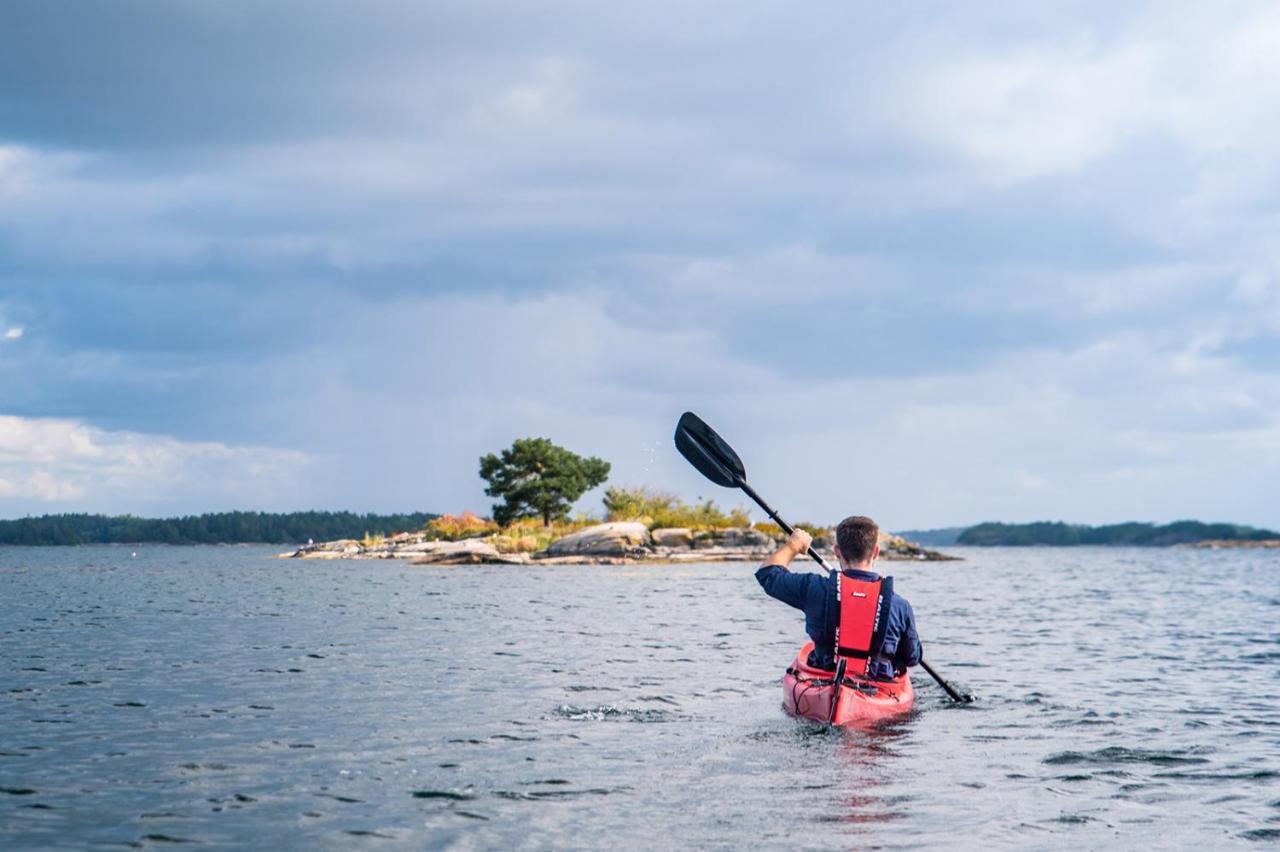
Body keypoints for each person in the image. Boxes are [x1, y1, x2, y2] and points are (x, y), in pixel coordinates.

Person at [755, 515, 920, 679]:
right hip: (876, 685)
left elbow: (768, 575)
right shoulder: (899, 605)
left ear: (837, 552)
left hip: (824, 680)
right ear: (876, 552)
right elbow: (911, 658)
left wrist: (794, 545)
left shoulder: (814, 588)